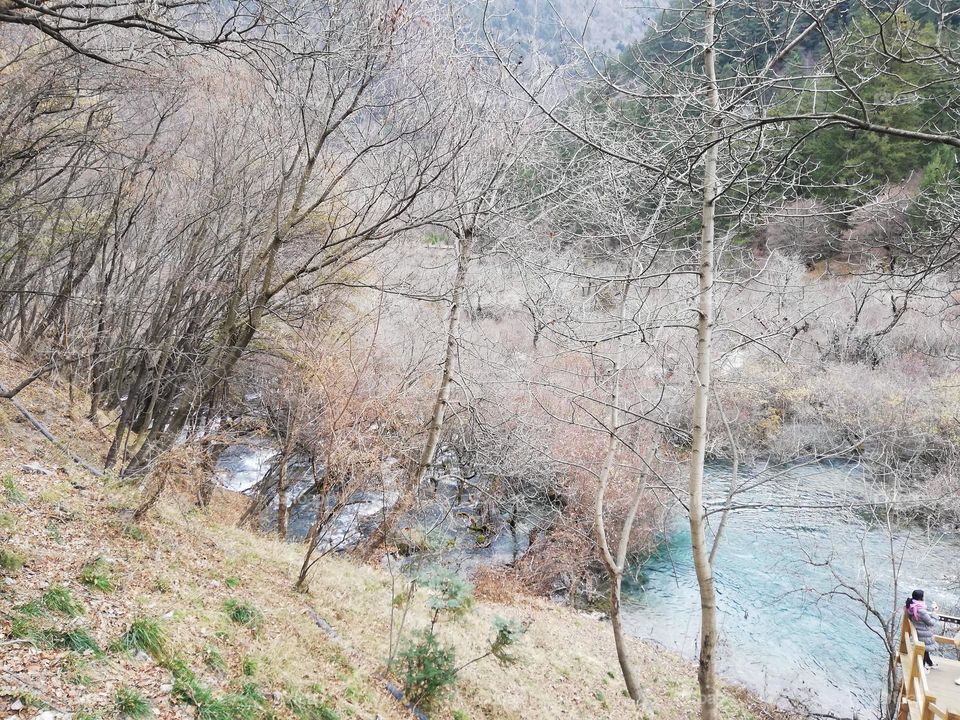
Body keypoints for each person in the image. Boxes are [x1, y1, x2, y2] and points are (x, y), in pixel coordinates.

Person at [905, 589, 940, 670]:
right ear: (921, 598)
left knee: (925, 649)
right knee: (924, 649)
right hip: (923, 632)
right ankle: (922, 668)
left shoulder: (912, 606)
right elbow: (931, 622)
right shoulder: (920, 610)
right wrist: (934, 612)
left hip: (918, 631)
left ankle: (929, 663)